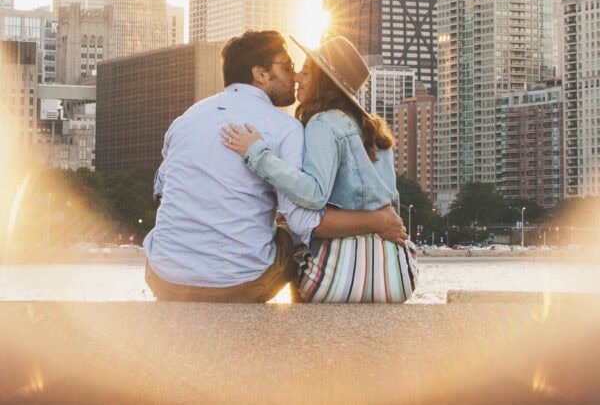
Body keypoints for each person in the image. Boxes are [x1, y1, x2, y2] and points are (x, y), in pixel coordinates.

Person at [144, 30, 407, 303]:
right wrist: (378, 221)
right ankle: (307, 330)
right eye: (288, 66)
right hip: (241, 285)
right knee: (293, 238)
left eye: (299, 69)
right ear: (261, 73)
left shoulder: (186, 118)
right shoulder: (286, 128)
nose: (293, 76)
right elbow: (306, 222)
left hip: (164, 279)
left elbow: (161, 188)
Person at [221, 35, 418, 303]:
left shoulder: (323, 123)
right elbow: (385, 204)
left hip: (338, 275)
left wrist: (257, 154)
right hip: (398, 275)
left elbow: (314, 193)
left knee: (286, 242)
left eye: (304, 72)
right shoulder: (374, 131)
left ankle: (304, 333)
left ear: (322, 81)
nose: (297, 78)